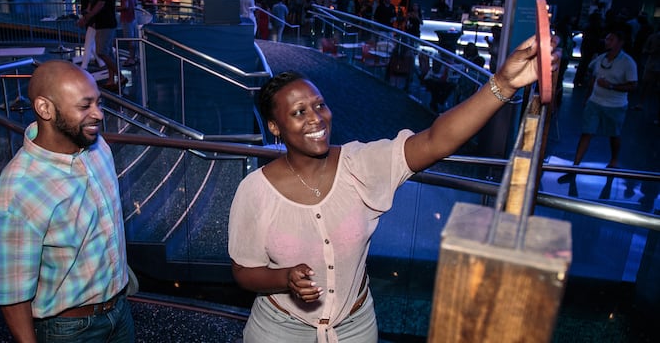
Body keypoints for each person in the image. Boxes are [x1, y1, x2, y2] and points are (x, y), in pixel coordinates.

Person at [228, 35, 552, 342]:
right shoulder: (256, 191)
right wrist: (284, 278)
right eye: (299, 112)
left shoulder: (361, 164)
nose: (316, 118)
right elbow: (244, 272)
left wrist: (504, 84)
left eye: (319, 105)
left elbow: (436, 141)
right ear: (274, 127)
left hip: (355, 327)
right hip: (280, 329)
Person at [0, 60, 134, 342]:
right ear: (45, 109)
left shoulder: (98, 149)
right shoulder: (17, 194)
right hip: (69, 331)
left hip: (120, 311)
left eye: (98, 102)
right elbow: (13, 295)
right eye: (84, 106)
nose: (98, 114)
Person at [559, 29, 638, 183]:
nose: (607, 42)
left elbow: (633, 85)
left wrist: (611, 86)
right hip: (595, 102)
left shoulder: (628, 63)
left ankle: (614, 160)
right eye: (607, 39)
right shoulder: (601, 59)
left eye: (611, 39)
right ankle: (575, 166)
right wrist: (587, 97)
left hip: (615, 105)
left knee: (614, 134)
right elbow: (593, 79)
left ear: (620, 42)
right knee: (586, 132)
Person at [78, 0, 122, 89]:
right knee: (107, 52)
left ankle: (120, 76)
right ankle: (111, 79)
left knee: (101, 52)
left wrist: (87, 17)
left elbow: (100, 4)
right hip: (105, 22)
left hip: (104, 23)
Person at [78, 0, 100, 70]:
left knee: (89, 42)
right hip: (93, 19)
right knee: (90, 42)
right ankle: (100, 62)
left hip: (95, 20)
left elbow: (95, 8)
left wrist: (86, 17)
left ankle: (85, 65)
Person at [117, 0, 139, 67]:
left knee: (129, 39)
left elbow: (125, 6)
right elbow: (135, 4)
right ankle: (133, 57)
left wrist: (115, 9)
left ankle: (131, 58)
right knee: (132, 39)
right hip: (132, 18)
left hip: (127, 19)